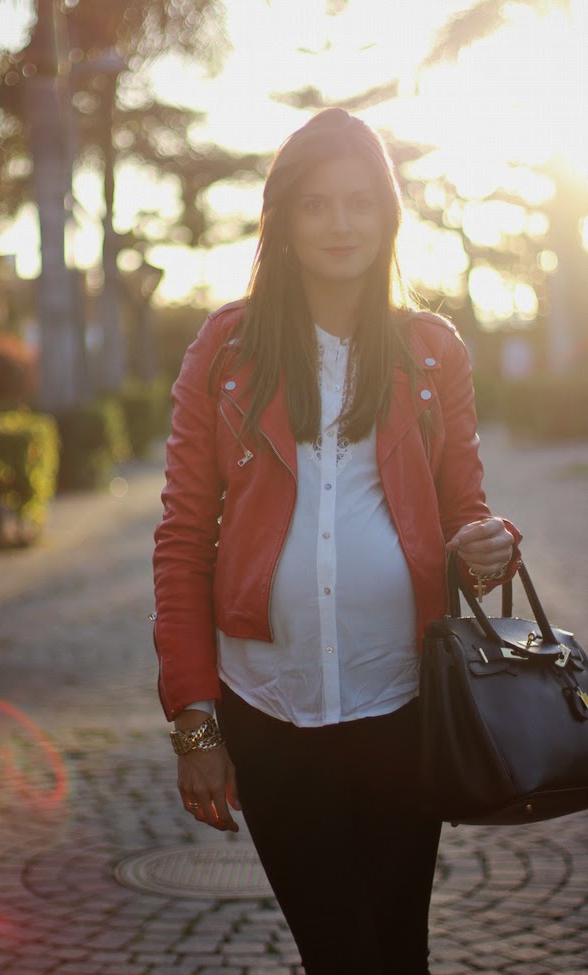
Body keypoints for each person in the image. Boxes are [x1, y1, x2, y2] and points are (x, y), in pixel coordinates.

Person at [152, 108, 520, 975]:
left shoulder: (432, 352)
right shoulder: (226, 348)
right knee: (343, 953)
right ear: (281, 218)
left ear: (388, 215)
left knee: (398, 949)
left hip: (403, 704)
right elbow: (180, 538)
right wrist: (195, 723)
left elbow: (466, 506)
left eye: (359, 202)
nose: (340, 223)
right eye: (315, 204)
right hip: (271, 711)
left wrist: (488, 542)